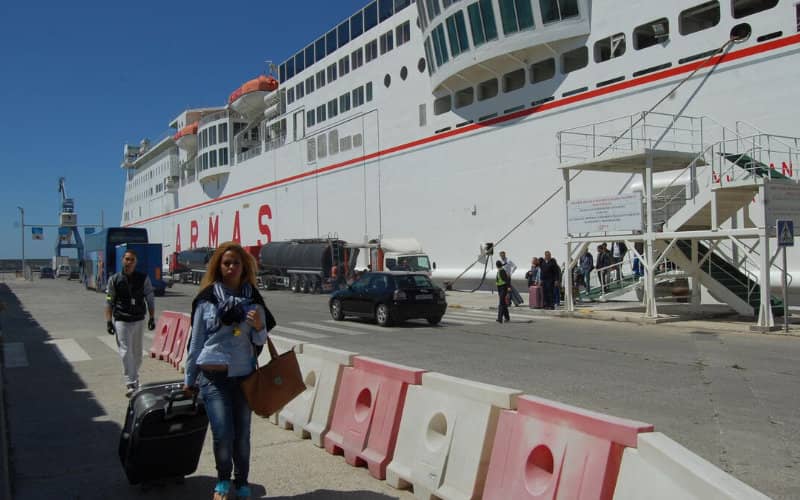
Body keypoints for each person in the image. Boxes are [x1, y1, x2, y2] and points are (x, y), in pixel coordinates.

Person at [182, 242, 270, 500]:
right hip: (212, 378)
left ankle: (241, 482)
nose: (231, 267)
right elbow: (196, 342)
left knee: (242, 436)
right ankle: (222, 481)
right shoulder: (207, 300)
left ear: (244, 268)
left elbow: (260, 341)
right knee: (223, 434)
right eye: (226, 263)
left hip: (244, 377)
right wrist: (189, 379)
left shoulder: (254, 301)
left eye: (236, 263)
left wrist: (258, 326)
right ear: (218, 267)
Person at [105, 249, 156, 397]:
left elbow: (150, 298)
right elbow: (109, 301)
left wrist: (152, 318)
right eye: (127, 259)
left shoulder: (143, 278)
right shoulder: (114, 279)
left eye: (132, 260)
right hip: (121, 319)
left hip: (138, 319)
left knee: (138, 354)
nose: (129, 262)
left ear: (136, 262)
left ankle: (135, 378)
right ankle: (130, 382)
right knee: (126, 351)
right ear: (122, 260)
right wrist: (109, 321)